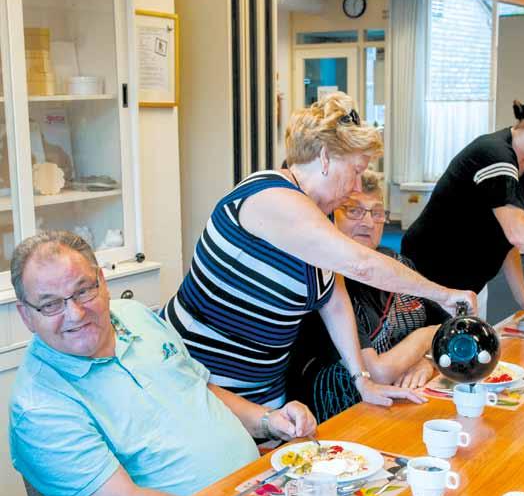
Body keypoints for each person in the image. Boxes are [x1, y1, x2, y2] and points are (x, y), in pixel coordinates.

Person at [9, 231, 316, 496]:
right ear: (26, 314)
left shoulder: (133, 315)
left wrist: (268, 421)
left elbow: (199, 388)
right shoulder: (39, 406)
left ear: (102, 282)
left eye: (83, 291)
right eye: (51, 304)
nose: (75, 314)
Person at [162, 92, 475, 412]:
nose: (357, 186)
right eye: (355, 170)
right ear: (325, 157)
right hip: (200, 382)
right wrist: (442, 294)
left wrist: (361, 378)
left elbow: (334, 300)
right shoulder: (273, 197)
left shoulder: (318, 214)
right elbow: (362, 265)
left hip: (261, 390)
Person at [401, 88, 524, 319]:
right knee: (432, 353)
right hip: (428, 285)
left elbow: (509, 239)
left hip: (470, 285)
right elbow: (520, 234)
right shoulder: (494, 155)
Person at [288, 170, 449, 422]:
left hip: (406, 402)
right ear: (329, 216)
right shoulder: (325, 279)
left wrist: (427, 360)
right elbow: (377, 372)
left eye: (376, 213)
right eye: (354, 211)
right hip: (344, 414)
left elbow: (453, 327)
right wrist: (427, 336)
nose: (368, 222)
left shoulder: (397, 264)